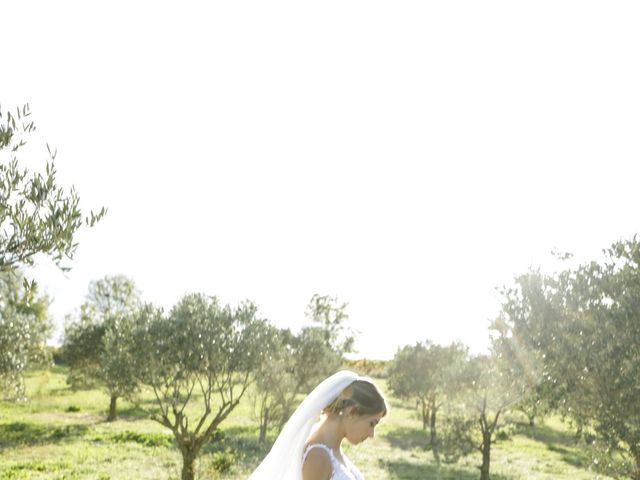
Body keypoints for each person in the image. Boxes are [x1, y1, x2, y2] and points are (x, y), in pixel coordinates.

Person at [249, 370, 387, 480]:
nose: (372, 434)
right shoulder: (318, 457)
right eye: (372, 424)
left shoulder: (334, 450)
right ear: (352, 412)